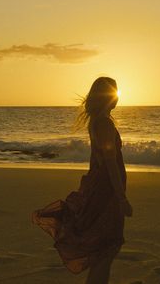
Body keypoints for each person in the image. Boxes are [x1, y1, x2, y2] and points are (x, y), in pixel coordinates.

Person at [32, 76, 133, 284]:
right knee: (107, 249)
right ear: (108, 97)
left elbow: (96, 161)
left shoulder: (98, 121)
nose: (117, 98)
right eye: (114, 93)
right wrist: (121, 197)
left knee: (103, 250)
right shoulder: (103, 123)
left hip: (100, 188)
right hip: (106, 192)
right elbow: (109, 162)